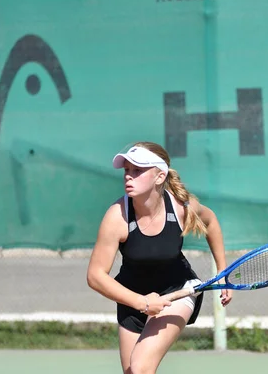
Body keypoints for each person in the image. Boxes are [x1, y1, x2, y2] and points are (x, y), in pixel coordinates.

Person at [87, 141, 232, 374]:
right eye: (126, 170)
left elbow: (211, 222)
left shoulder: (181, 207)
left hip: (178, 290)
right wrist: (141, 302)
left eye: (138, 170)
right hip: (132, 299)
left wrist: (222, 273)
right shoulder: (117, 217)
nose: (128, 177)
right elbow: (95, 276)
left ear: (159, 176)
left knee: (142, 367)